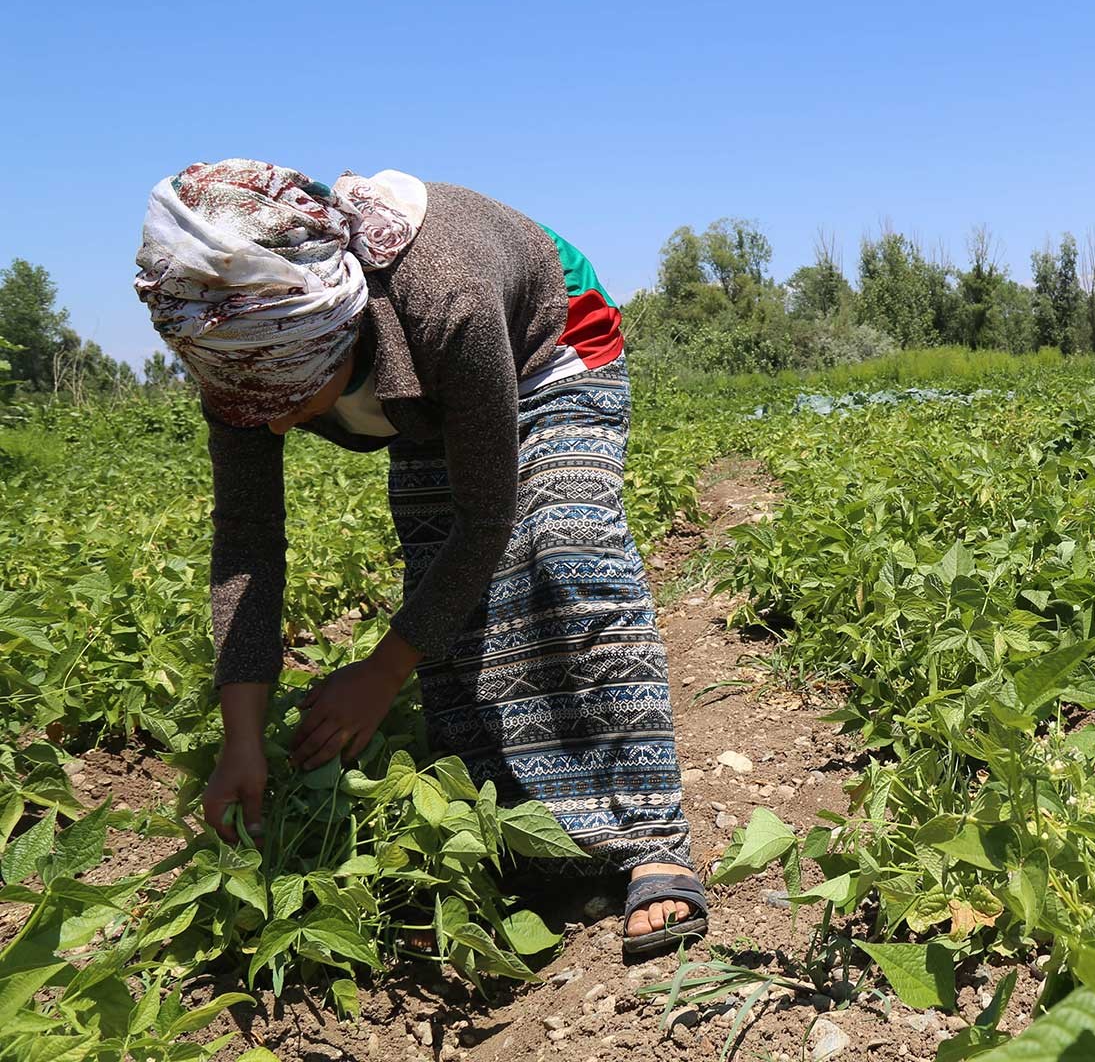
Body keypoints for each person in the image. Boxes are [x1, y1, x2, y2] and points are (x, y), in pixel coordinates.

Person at [134, 159, 704, 957]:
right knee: (455, 614)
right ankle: (526, 840)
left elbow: (487, 515)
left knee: (569, 555)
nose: (266, 429)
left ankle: (650, 842)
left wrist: (380, 671)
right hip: (428, 392)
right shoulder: (238, 342)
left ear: (338, 332)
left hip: (550, 343)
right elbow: (246, 548)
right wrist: (242, 738)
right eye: (248, 411)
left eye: (287, 405)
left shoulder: (445, 296)